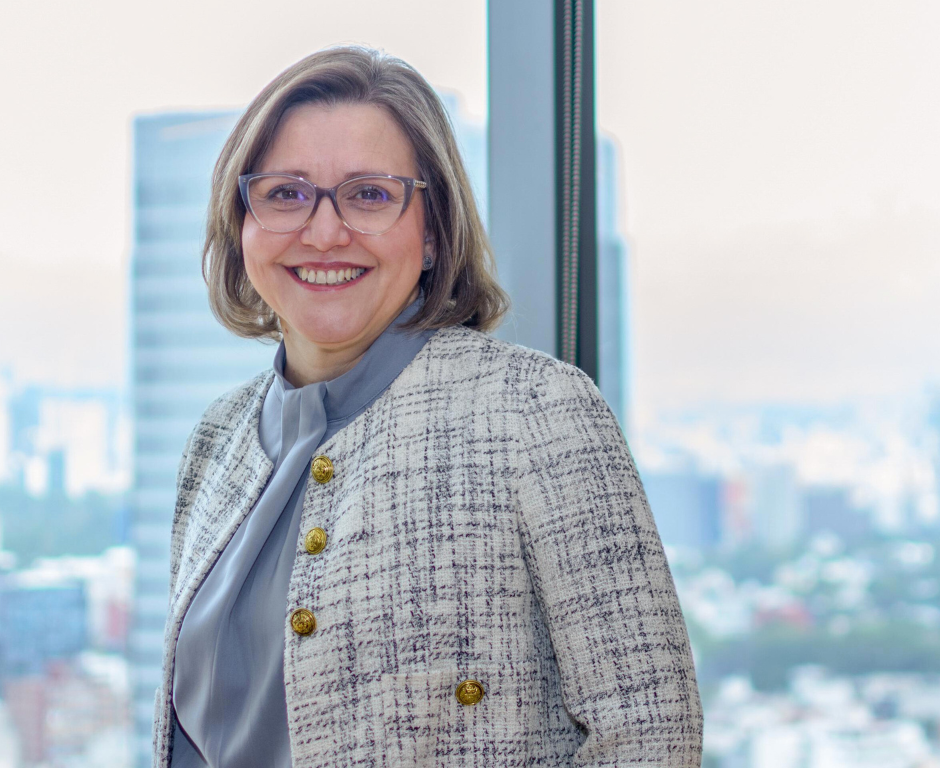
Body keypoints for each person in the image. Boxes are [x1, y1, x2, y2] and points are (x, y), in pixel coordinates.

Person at [156, 45, 701, 767]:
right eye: (285, 193)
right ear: (241, 224)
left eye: (369, 195)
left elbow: (650, 735)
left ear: (434, 229)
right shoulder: (217, 439)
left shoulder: (536, 411)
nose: (323, 232)